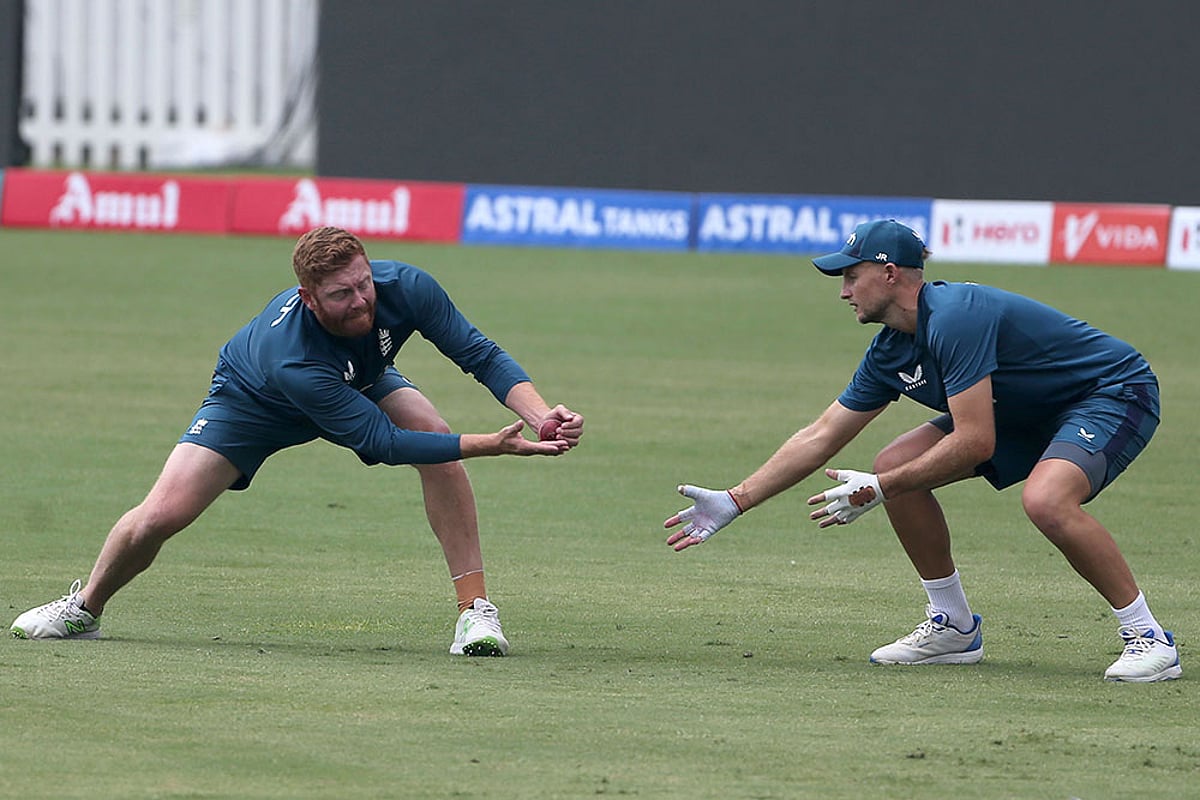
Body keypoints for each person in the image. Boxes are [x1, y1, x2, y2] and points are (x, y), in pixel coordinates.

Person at [11, 226, 584, 656]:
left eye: (363, 284)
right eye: (341, 295)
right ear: (309, 298)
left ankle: (474, 611)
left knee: (435, 437)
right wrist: (490, 443)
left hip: (356, 375)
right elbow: (383, 442)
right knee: (160, 517)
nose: (360, 301)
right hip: (253, 402)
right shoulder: (290, 355)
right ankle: (85, 608)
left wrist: (540, 416)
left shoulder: (405, 286)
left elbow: (479, 354)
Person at [664, 218, 1180, 682]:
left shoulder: (956, 317)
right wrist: (736, 499)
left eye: (852, 276)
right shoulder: (889, 348)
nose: (843, 291)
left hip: (1107, 393)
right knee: (894, 463)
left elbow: (975, 441)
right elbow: (821, 435)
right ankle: (953, 627)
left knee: (1045, 500)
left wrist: (880, 489)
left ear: (890, 273)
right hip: (1021, 409)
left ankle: (1149, 638)